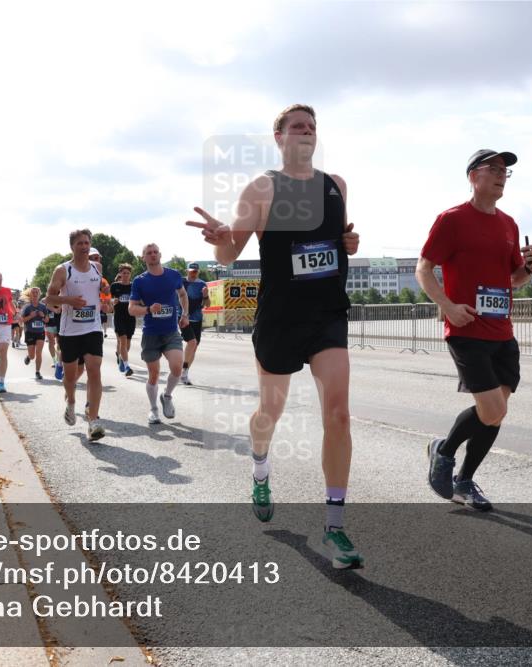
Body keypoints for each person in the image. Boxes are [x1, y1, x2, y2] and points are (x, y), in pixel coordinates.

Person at [187, 104, 363, 569]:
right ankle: (261, 466)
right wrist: (220, 237)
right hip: (281, 318)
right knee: (270, 411)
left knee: (339, 414)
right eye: (297, 126)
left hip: (327, 314)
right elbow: (230, 253)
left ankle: (335, 527)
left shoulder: (336, 185)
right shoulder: (262, 188)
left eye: (312, 126)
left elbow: (339, 236)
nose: (306, 132)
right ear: (279, 137)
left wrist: (351, 242)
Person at [415, 149, 532, 512]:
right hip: (466, 329)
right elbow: (424, 269)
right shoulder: (452, 219)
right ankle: (445, 449)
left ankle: (464, 481)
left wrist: (530, 269)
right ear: (473, 176)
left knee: (496, 412)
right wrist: (448, 306)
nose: (502, 175)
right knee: (490, 410)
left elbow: (513, 280)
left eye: (506, 171)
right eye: (495, 169)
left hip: (503, 332)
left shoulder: (508, 224)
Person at [45, 229, 111, 441]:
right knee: (71, 376)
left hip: (92, 327)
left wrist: (106, 302)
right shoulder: (63, 270)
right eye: (80, 243)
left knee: (94, 370)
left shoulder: (97, 268)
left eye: (87, 243)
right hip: (69, 331)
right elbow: (49, 299)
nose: (84, 247)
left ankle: (93, 422)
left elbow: (101, 292)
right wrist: (69, 301)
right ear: (72, 246)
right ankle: (71, 402)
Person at [128, 244, 189, 425]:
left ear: (160, 255)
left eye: (155, 252)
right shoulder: (140, 281)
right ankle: (154, 409)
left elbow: (183, 295)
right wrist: (148, 309)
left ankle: (167, 396)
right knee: (153, 375)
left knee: (177, 368)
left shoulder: (174, 275)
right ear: (143, 258)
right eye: (149, 253)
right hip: (151, 334)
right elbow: (131, 309)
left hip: (171, 332)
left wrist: (185, 314)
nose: (153, 255)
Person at [180, 262, 210, 385]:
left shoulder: (202, 284)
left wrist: (205, 295)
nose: (193, 273)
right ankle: (183, 369)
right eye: (191, 271)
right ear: (187, 271)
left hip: (197, 319)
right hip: (183, 317)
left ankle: (185, 372)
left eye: (195, 271)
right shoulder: (181, 283)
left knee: (194, 346)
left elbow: (207, 305)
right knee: (191, 342)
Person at [110, 263, 136, 377]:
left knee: (128, 342)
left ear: (130, 274)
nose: (125, 275)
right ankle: (127, 366)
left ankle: (121, 357)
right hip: (119, 316)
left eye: (128, 273)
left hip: (130, 316)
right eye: (123, 273)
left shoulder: (134, 286)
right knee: (123, 339)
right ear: (120, 274)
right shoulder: (115, 286)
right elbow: (109, 300)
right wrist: (112, 301)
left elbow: (138, 299)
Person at [22, 286, 50, 380]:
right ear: (30, 294)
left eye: (36, 292)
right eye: (33, 292)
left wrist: (42, 316)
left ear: (39, 294)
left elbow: (47, 320)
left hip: (40, 332)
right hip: (30, 332)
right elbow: (22, 320)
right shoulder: (27, 307)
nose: (35, 294)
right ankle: (29, 357)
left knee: (39, 352)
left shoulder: (43, 307)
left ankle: (37, 372)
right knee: (32, 355)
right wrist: (31, 316)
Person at [89, 248, 110, 338]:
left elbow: (108, 306)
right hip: (74, 326)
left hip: (95, 324)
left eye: (97, 258)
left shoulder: (103, 281)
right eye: (92, 258)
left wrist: (106, 306)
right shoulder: (72, 275)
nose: (96, 261)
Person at [44, 297, 63, 379]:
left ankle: (59, 360)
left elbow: (59, 308)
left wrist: (56, 304)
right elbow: (45, 303)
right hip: (49, 325)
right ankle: (54, 360)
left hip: (59, 324)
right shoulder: (48, 298)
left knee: (59, 344)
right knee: (51, 342)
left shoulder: (61, 298)